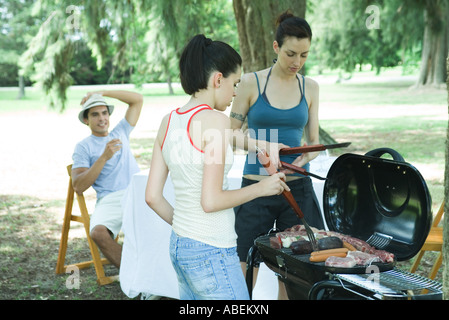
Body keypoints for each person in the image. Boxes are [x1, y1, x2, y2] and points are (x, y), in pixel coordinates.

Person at [145, 34, 289, 300]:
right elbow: (211, 201)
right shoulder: (216, 120)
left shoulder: (169, 121)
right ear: (217, 79)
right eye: (234, 83)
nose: (235, 92)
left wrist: (260, 145)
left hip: (180, 246)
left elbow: (152, 197)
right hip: (211, 251)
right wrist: (262, 188)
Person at [229, 11, 325, 299]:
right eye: (291, 53)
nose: (297, 62)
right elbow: (229, 134)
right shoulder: (250, 82)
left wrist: (306, 156)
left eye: (304, 55)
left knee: (296, 272)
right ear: (275, 47)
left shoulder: (311, 87)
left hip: (295, 189)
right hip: (256, 188)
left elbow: (315, 142)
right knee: (245, 267)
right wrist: (261, 146)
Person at [71, 90, 143, 268]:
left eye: (104, 113)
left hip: (137, 192)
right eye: (95, 115)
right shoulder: (83, 147)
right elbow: (78, 186)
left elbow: (137, 100)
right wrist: (103, 157)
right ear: (86, 120)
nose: (102, 118)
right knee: (98, 233)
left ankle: (157, 274)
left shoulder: (121, 132)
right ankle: (135, 274)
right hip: (111, 199)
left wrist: (101, 92)